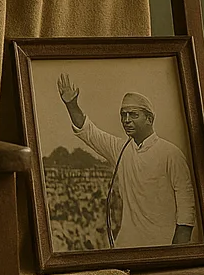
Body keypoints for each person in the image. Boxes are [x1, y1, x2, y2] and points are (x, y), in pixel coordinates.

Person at [56, 73, 196, 248]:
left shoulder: (171, 153)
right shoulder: (121, 149)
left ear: (149, 119)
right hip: (128, 243)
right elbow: (89, 132)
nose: (127, 120)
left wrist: (179, 250)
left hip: (163, 243)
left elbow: (186, 204)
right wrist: (71, 105)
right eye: (123, 115)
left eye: (133, 115)